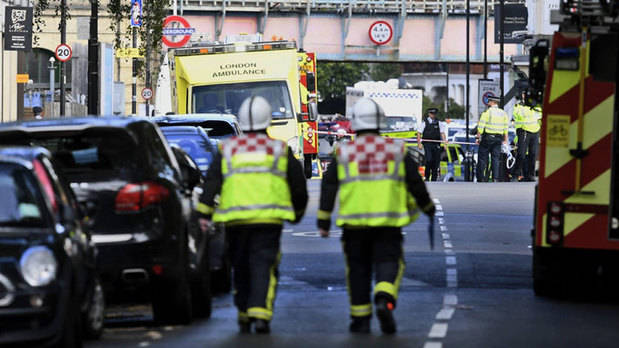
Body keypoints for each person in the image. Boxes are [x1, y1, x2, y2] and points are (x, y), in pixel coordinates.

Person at [317, 97, 435, 334]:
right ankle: (384, 297)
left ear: (355, 124)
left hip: (354, 225)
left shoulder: (344, 152)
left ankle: (360, 319)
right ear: (380, 122)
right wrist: (427, 207)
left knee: (357, 270)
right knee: (389, 263)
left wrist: (323, 219)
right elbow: (415, 183)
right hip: (388, 224)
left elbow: (329, 187)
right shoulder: (396, 150)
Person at [196, 96, 308, 334]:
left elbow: (211, 183)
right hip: (269, 220)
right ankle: (261, 313)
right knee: (264, 264)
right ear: (268, 120)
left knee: (240, 265)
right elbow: (298, 186)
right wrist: (297, 213)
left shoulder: (227, 149)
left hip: (235, 221)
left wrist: (203, 214)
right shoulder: (279, 149)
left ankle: (244, 311)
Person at [476, 95, 509, 182]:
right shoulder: (503, 113)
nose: (487, 103)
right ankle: (495, 178)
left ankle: (481, 178)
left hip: (488, 138)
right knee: (495, 159)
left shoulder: (487, 112)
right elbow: (506, 128)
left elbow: (481, 126)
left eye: (489, 101)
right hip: (498, 139)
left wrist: (478, 137)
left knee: (482, 158)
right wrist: (505, 140)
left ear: (493, 102)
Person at [416, 108, 447, 181]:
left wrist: (445, 143)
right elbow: (419, 133)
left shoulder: (438, 123)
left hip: (436, 144)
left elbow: (442, 133)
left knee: (436, 161)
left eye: (434, 114)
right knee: (429, 160)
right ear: (429, 114)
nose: (433, 115)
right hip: (427, 144)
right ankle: (427, 176)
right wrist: (419, 143)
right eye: (432, 114)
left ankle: (434, 178)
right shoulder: (425, 122)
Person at [521, 104, 541, 181]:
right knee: (523, 155)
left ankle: (531, 175)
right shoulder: (523, 108)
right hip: (525, 132)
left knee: (533, 154)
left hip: (535, 132)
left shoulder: (538, 108)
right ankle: (524, 175)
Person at [512, 92, 528, 181]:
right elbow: (516, 116)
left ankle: (527, 175)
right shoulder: (518, 106)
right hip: (521, 130)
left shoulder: (532, 106)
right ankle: (516, 174)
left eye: (524, 94)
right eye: (522, 94)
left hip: (532, 131)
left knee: (529, 155)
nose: (523, 96)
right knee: (521, 154)